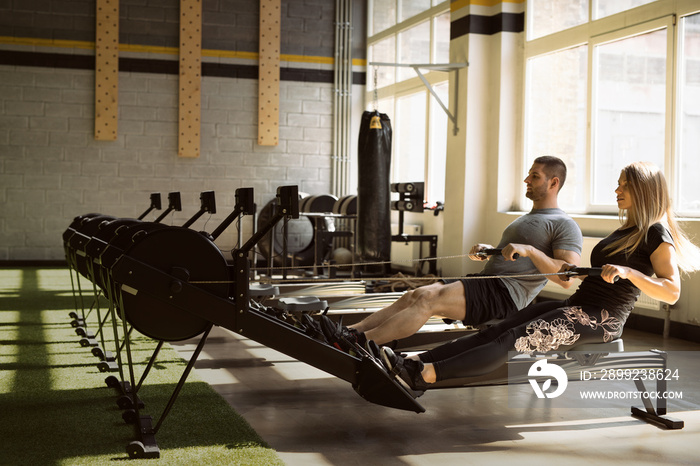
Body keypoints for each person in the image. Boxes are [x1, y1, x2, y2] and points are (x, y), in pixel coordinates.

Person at [380, 161, 700, 394]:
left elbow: (671, 292)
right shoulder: (626, 230)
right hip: (579, 306)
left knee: (512, 341)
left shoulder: (656, 232)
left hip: (601, 321)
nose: (616, 190)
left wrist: (629, 272)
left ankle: (423, 375)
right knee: (497, 330)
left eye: (624, 185)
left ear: (643, 190)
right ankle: (412, 360)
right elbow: (572, 276)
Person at [322, 156, 583, 350]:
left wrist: (530, 250)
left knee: (427, 300)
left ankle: (356, 343)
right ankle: (345, 332)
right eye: (528, 174)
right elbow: (515, 257)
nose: (526, 180)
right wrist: (489, 251)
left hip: (505, 296)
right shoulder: (527, 218)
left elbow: (567, 277)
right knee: (413, 295)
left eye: (534, 176)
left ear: (554, 182)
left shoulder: (564, 225)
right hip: (487, 283)